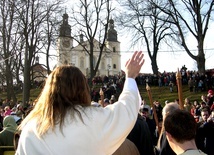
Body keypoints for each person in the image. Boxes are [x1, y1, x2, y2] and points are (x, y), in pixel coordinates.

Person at [16, 51, 145, 155]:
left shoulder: (31, 127)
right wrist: (130, 77)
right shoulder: (92, 119)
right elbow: (126, 109)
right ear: (83, 89)